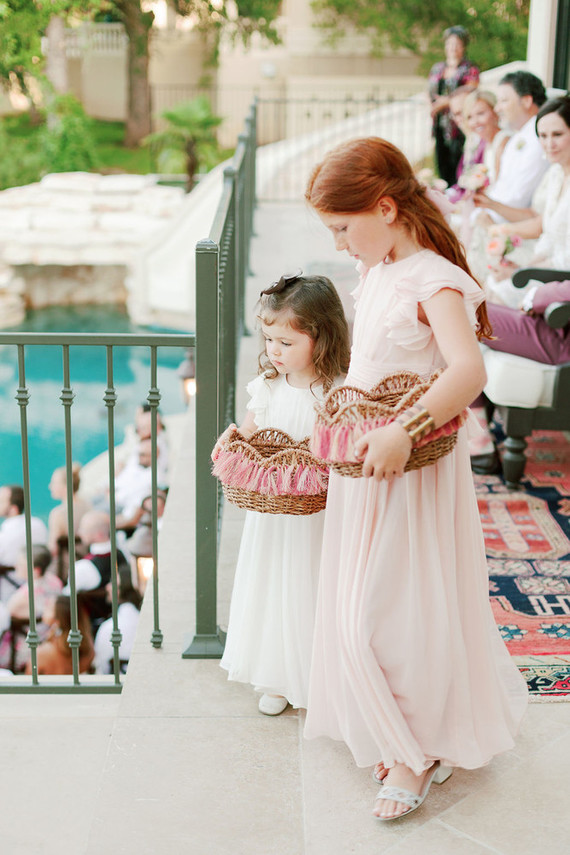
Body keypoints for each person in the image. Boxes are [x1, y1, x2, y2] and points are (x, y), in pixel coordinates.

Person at [303, 137, 528, 821]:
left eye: (343, 228)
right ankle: (402, 732)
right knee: (359, 604)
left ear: (384, 207)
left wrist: (404, 430)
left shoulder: (434, 279)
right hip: (368, 460)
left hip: (413, 463)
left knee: (393, 609)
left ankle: (418, 751)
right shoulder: (377, 270)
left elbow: (468, 371)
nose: (339, 244)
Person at [214, 273, 350, 715]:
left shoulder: (335, 390)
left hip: (317, 512)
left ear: (321, 337)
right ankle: (277, 675)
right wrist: (231, 441)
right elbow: (250, 433)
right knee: (274, 586)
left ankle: (318, 673)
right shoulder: (269, 385)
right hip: (273, 511)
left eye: (286, 342)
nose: (273, 350)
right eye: (269, 339)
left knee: (311, 583)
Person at [484, 95, 570, 308]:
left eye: (557, 135)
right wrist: (523, 268)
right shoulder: (555, 174)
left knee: (495, 297)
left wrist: (524, 273)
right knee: (491, 284)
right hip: (547, 269)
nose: (549, 144)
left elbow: (566, 259)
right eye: (543, 136)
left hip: (562, 282)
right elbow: (548, 237)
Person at [474, 71, 549, 223]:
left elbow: (518, 198)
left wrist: (485, 214)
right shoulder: (519, 136)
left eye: (504, 101)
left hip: (512, 223)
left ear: (526, 101)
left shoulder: (540, 139)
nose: (497, 109)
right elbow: (502, 187)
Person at [428, 25, 479, 186]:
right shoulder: (438, 68)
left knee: (458, 165)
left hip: (458, 124)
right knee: (441, 164)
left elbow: (470, 91)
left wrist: (446, 102)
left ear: (463, 46)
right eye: (449, 44)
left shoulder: (469, 69)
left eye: (457, 44)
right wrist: (432, 105)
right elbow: (429, 90)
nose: (453, 48)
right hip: (440, 124)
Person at [24, 593, 94, 675]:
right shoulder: (88, 649)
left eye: (48, 607)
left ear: (57, 619)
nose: (44, 609)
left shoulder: (43, 653)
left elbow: (29, 678)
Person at [0, 484, 48, 602]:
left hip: (9, 592)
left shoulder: (6, 533)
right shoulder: (38, 524)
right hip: (40, 587)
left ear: (14, 508)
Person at [93, 567, 142, 674]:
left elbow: (101, 668)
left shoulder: (108, 628)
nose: (107, 587)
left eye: (113, 583)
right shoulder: (146, 624)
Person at [47, 463, 93, 556]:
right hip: (87, 557)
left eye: (54, 483)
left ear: (65, 486)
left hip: (68, 561)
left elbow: (53, 549)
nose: (50, 486)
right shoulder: (88, 505)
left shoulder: (58, 513)